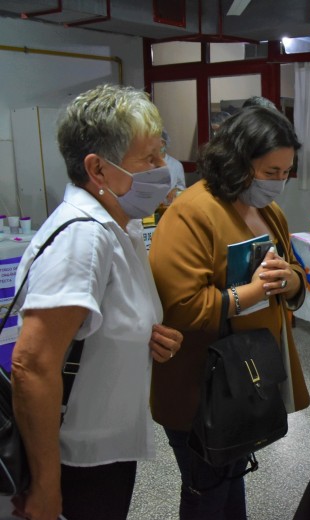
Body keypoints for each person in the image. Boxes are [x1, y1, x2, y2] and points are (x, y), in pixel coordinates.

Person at [10, 84, 183, 520]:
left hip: (105, 448)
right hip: (73, 462)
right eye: (148, 159)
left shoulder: (118, 227)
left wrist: (149, 337)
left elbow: (100, 326)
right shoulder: (84, 237)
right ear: (98, 170)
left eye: (161, 153)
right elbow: (32, 366)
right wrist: (48, 489)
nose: (163, 168)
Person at [148, 106, 310, 519]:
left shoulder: (268, 212)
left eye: (286, 172)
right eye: (270, 172)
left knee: (231, 478)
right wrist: (251, 292)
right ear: (237, 161)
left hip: (246, 379)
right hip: (202, 384)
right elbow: (181, 306)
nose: (278, 183)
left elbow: (293, 273)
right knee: (206, 489)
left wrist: (288, 281)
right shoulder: (192, 212)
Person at [161, 129, 186, 203]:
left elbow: (182, 187)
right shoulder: (145, 164)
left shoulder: (176, 165)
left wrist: (177, 190)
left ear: (163, 143)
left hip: (168, 207)